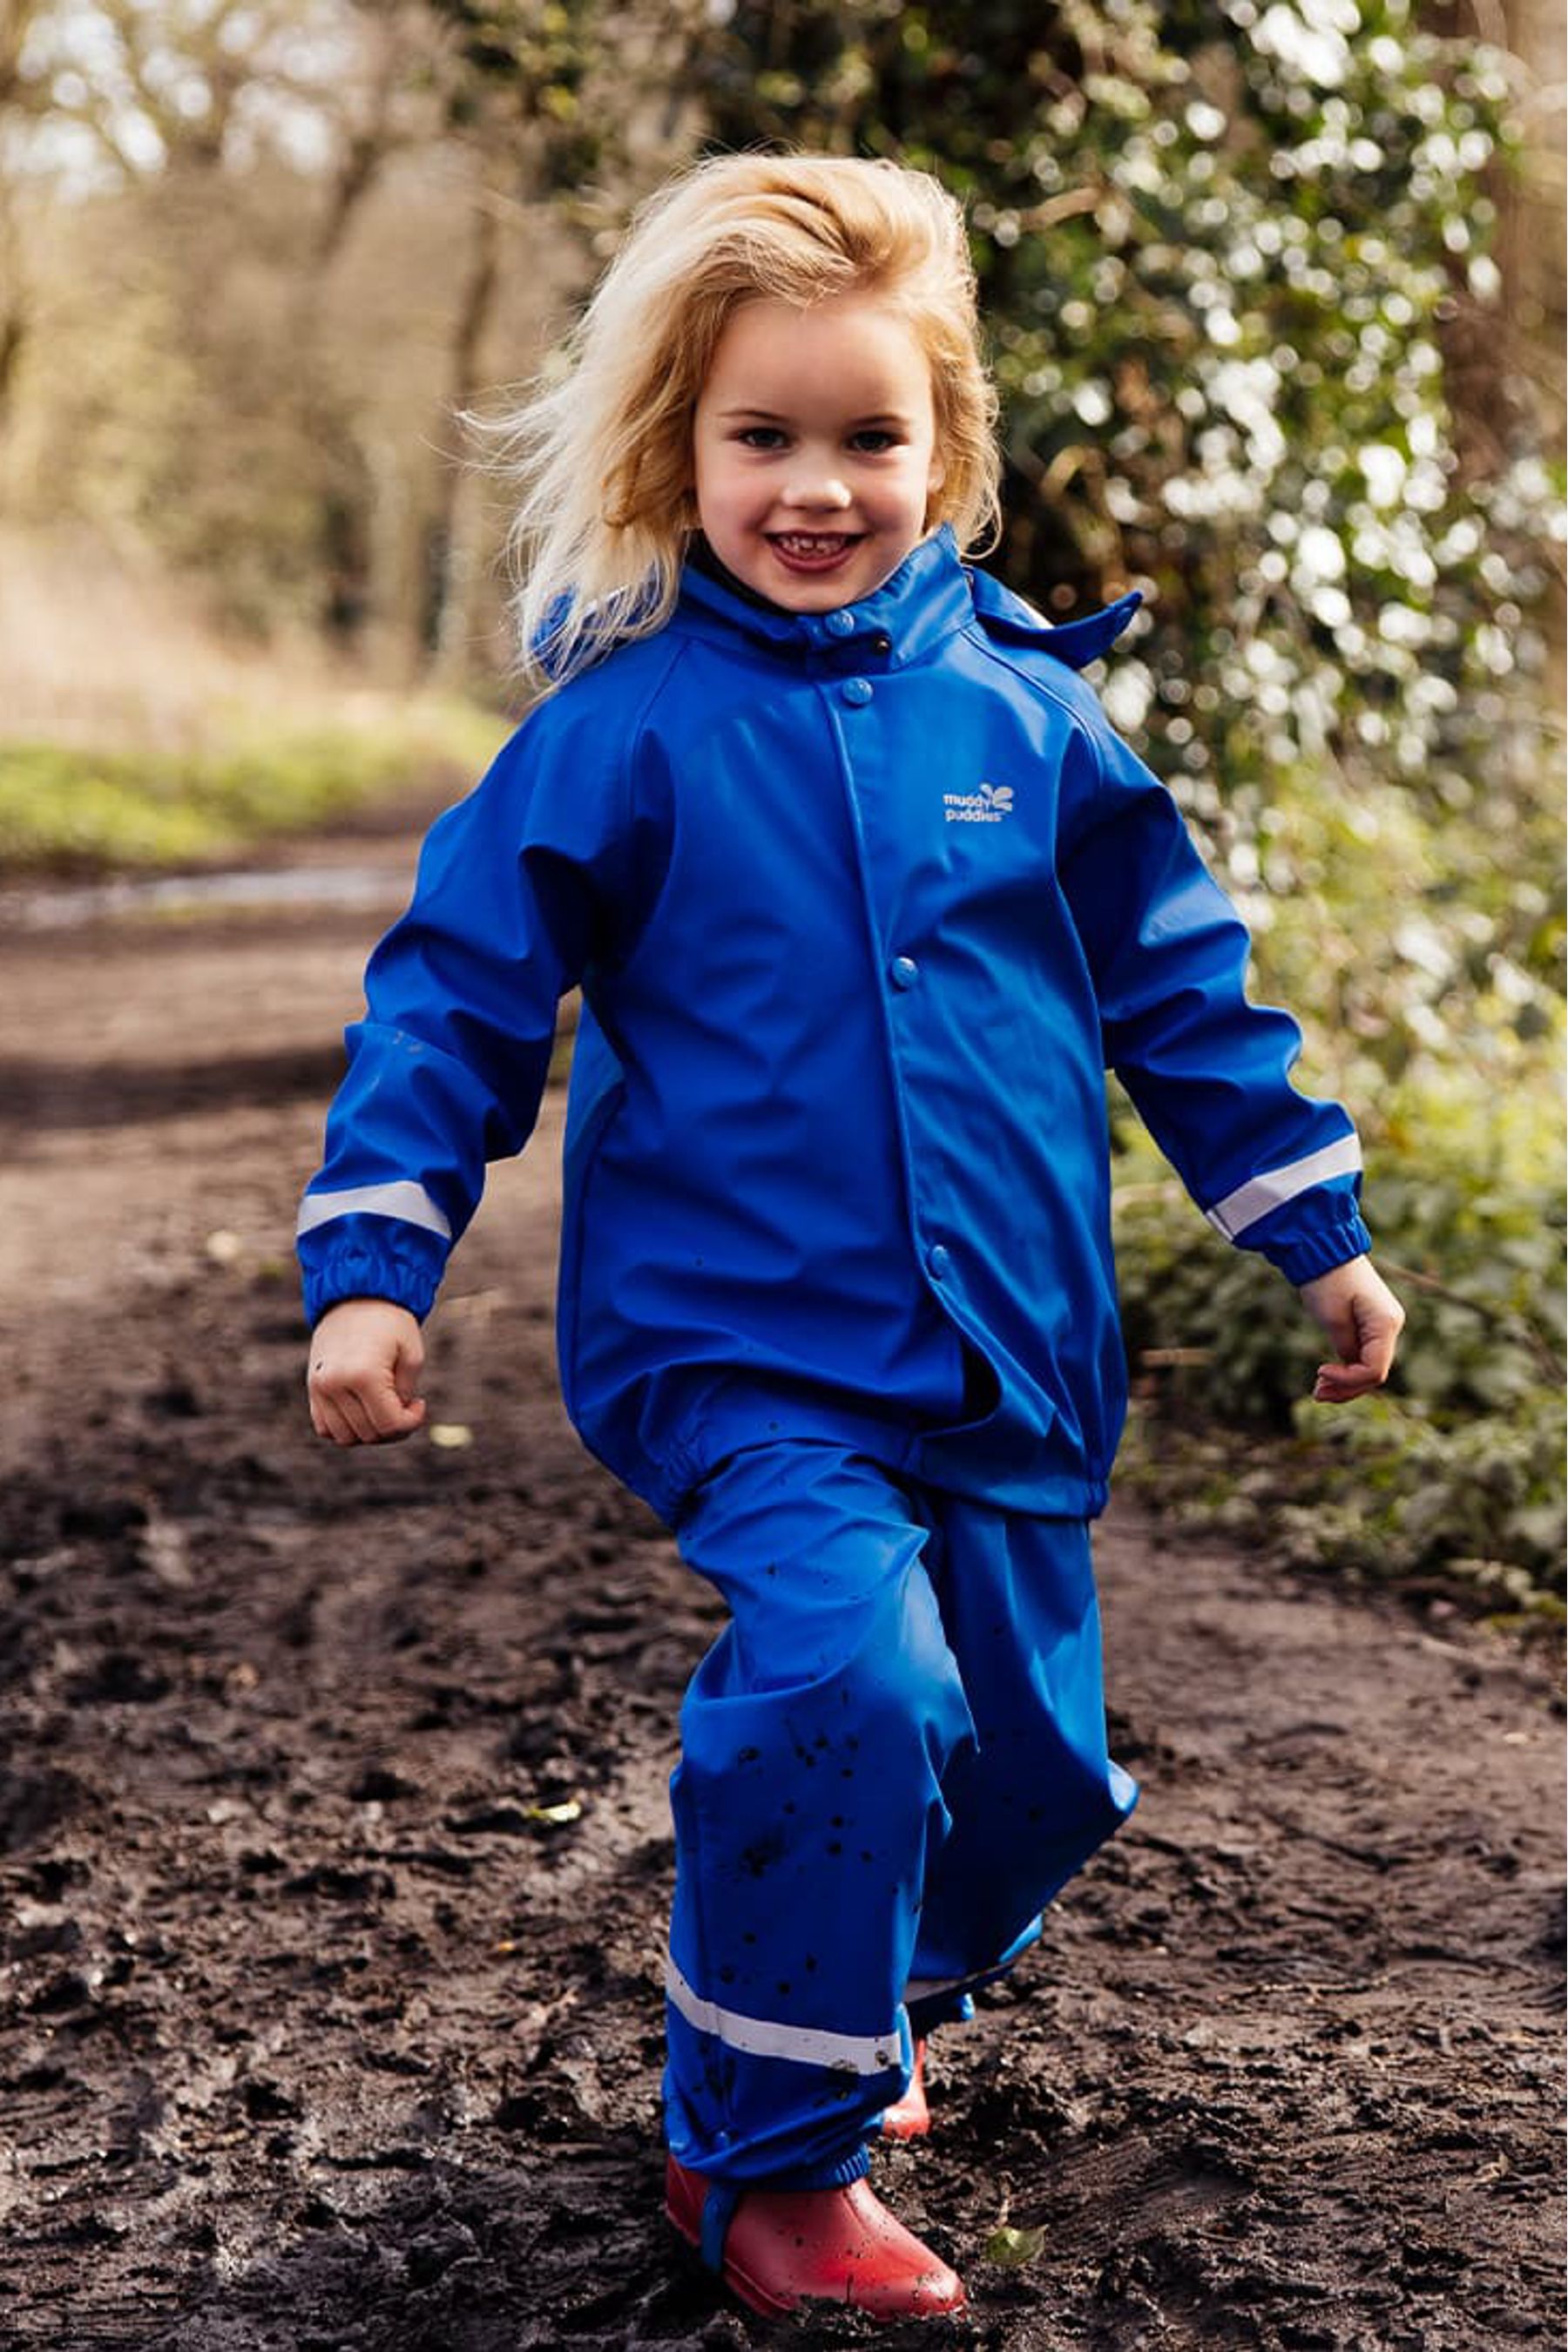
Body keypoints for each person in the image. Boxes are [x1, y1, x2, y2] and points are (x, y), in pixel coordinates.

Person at [298, 152, 1404, 2322]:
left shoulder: (1030, 718)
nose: (816, 487)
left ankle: (841, 1986)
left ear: (947, 450)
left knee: (1031, 1771)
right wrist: (371, 1272)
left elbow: (1187, 997)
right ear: (679, 450)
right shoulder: (621, 733)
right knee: (849, 1682)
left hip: (1014, 1345)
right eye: (763, 438)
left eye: (869, 437)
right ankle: (758, 2158)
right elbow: (451, 1004)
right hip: (746, 1348)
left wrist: (1318, 1233)